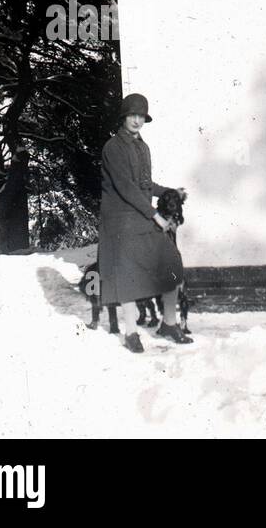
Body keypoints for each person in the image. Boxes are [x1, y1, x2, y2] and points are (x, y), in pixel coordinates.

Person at [98, 93, 192, 352]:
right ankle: (131, 333)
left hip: (140, 214)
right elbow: (126, 188)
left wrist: (170, 192)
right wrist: (155, 216)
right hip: (120, 221)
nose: (137, 120)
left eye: (141, 116)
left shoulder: (143, 147)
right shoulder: (113, 147)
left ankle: (169, 324)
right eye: (132, 115)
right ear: (124, 117)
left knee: (172, 264)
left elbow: (145, 185)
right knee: (128, 274)